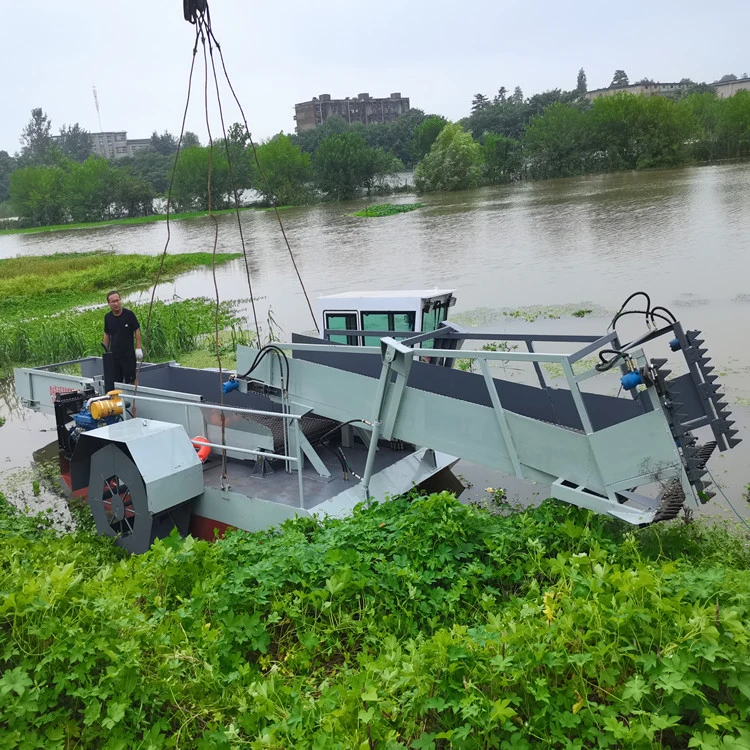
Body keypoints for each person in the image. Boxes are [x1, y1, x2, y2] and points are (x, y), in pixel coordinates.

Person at [103, 290, 143, 384]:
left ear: (120, 300)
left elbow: (137, 329)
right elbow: (107, 333)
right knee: (117, 381)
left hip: (128, 355)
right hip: (115, 356)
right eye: (113, 302)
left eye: (118, 300)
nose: (116, 303)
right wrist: (106, 351)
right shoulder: (108, 317)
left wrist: (138, 347)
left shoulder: (129, 315)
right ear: (109, 303)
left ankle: (134, 398)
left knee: (132, 379)